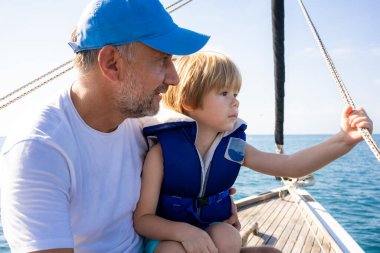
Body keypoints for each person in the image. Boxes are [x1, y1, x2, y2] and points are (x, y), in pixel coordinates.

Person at [0, 0, 211, 252]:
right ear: (112, 63)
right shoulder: (39, 149)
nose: (174, 77)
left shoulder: (143, 124)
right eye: (162, 59)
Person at [133, 52, 373, 253]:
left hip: (211, 232)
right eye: (224, 93)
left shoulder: (235, 148)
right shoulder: (162, 154)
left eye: (236, 94)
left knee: (229, 237)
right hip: (167, 237)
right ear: (189, 101)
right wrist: (183, 232)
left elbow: (289, 166)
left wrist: (344, 140)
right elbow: (143, 220)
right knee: (172, 251)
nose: (235, 102)